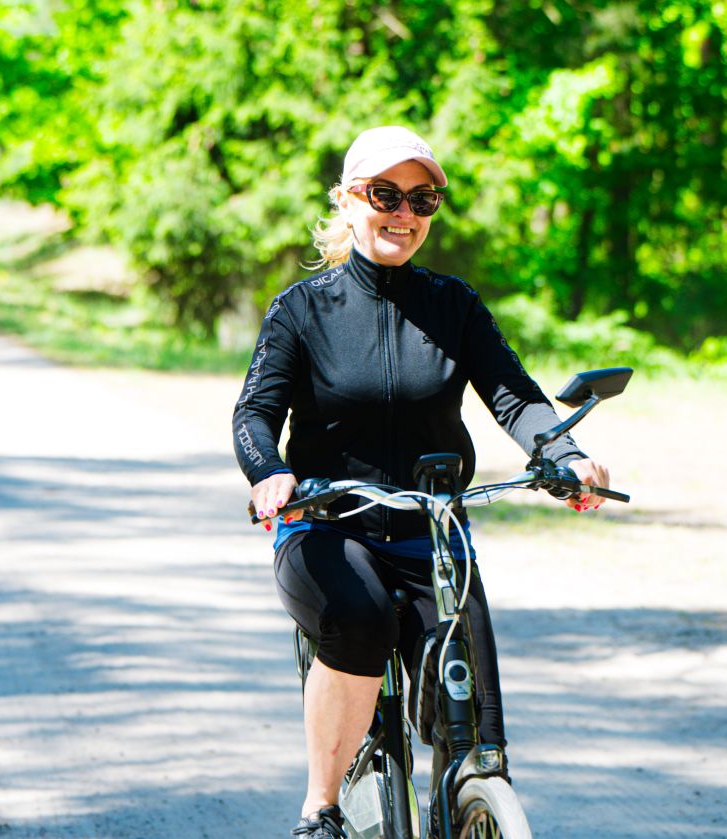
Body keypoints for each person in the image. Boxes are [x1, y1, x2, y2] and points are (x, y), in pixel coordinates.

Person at [231, 125, 611, 839]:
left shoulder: (453, 306)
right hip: (326, 526)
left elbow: (515, 397)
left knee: (478, 732)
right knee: (362, 618)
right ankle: (322, 806)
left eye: (422, 198)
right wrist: (271, 473)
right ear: (349, 201)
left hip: (432, 531)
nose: (404, 213)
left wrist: (564, 452)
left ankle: (471, 802)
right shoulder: (302, 310)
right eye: (385, 194)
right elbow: (254, 412)